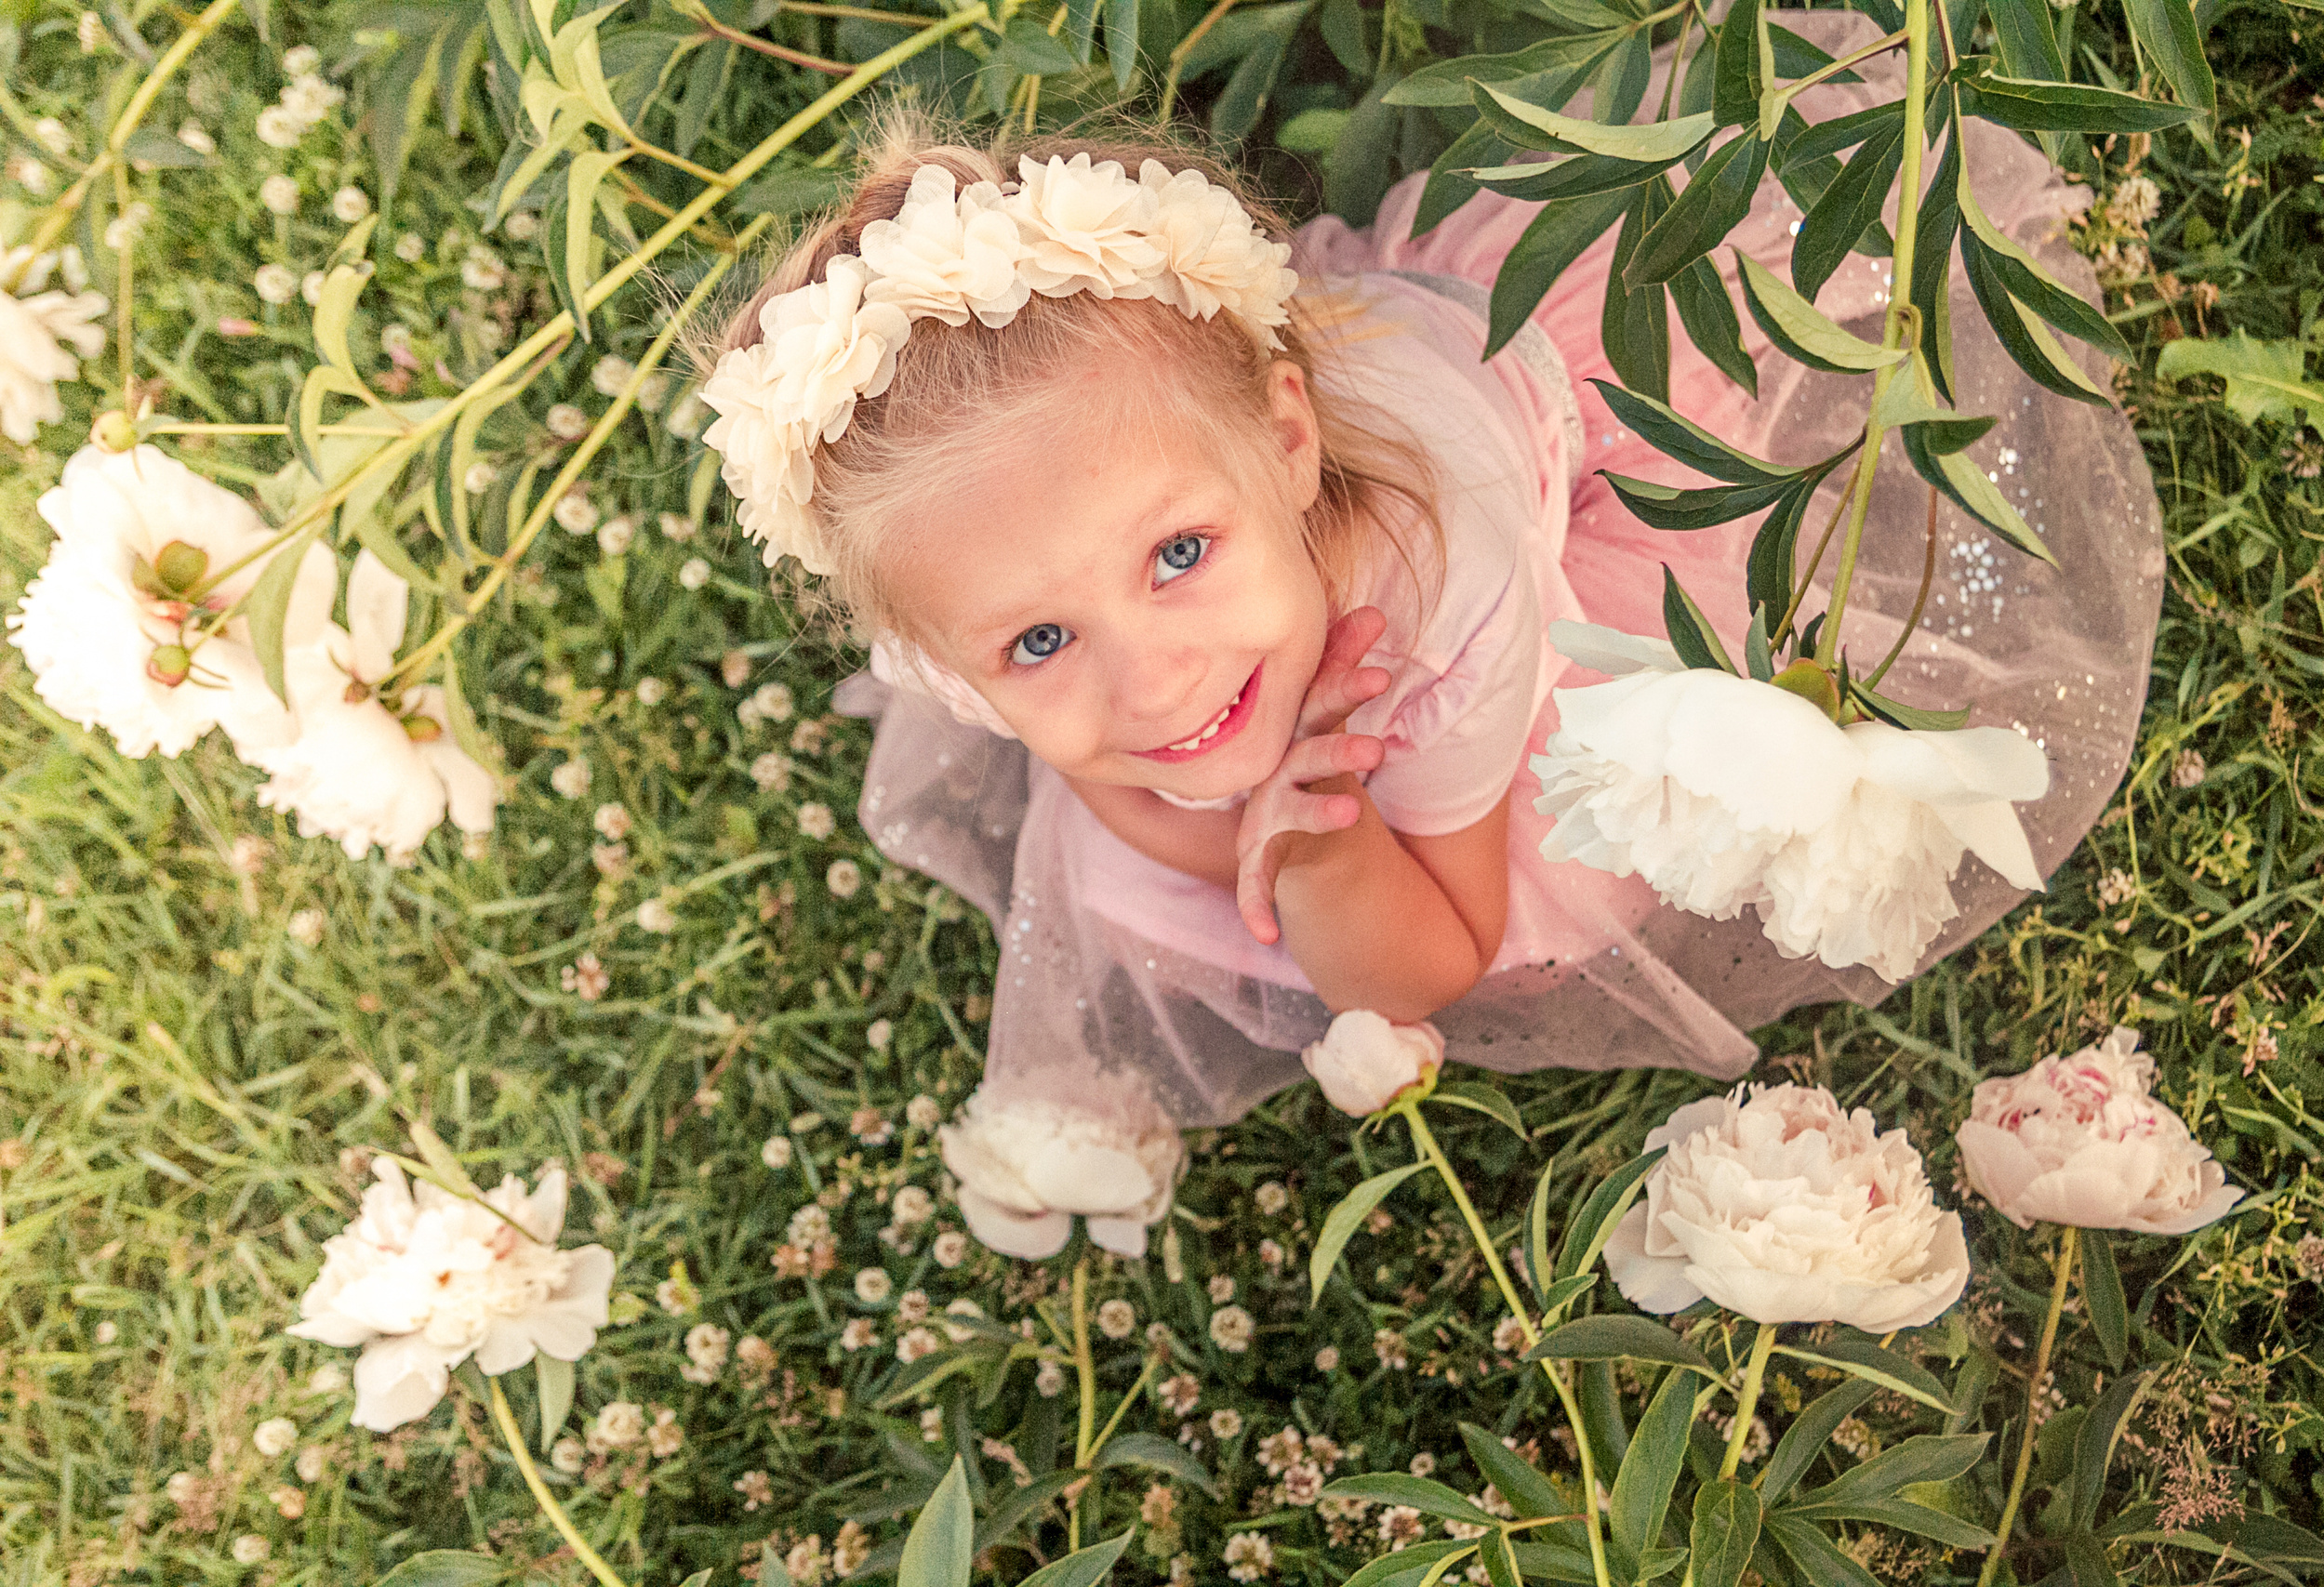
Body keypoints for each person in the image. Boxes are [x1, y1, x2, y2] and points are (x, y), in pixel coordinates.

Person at [698, 14, 2163, 1260]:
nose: (1154, 679)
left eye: (1180, 556)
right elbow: (1092, 744)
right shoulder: (992, 583)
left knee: (1460, 886)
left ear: (1284, 444)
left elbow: (1432, 963)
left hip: (1542, 452)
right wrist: (1232, 827)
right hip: (1266, 534)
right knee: (1134, 789)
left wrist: (1322, 843)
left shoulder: (1438, 577)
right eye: (1034, 644)